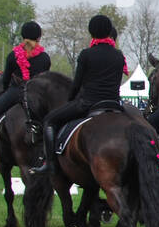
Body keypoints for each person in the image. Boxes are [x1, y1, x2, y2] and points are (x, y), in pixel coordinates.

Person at [31, 15, 127, 174]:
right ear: (109, 32)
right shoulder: (119, 55)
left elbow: (77, 84)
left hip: (88, 102)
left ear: (91, 32)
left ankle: (50, 164)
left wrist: (70, 100)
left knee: (49, 120)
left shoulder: (86, 54)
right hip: (114, 103)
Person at [0, 21, 50, 164]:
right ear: (39, 38)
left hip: (15, 92)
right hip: (35, 97)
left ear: (23, 36)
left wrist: (4, 94)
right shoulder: (45, 58)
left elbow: (6, 80)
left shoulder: (13, 56)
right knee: (51, 122)